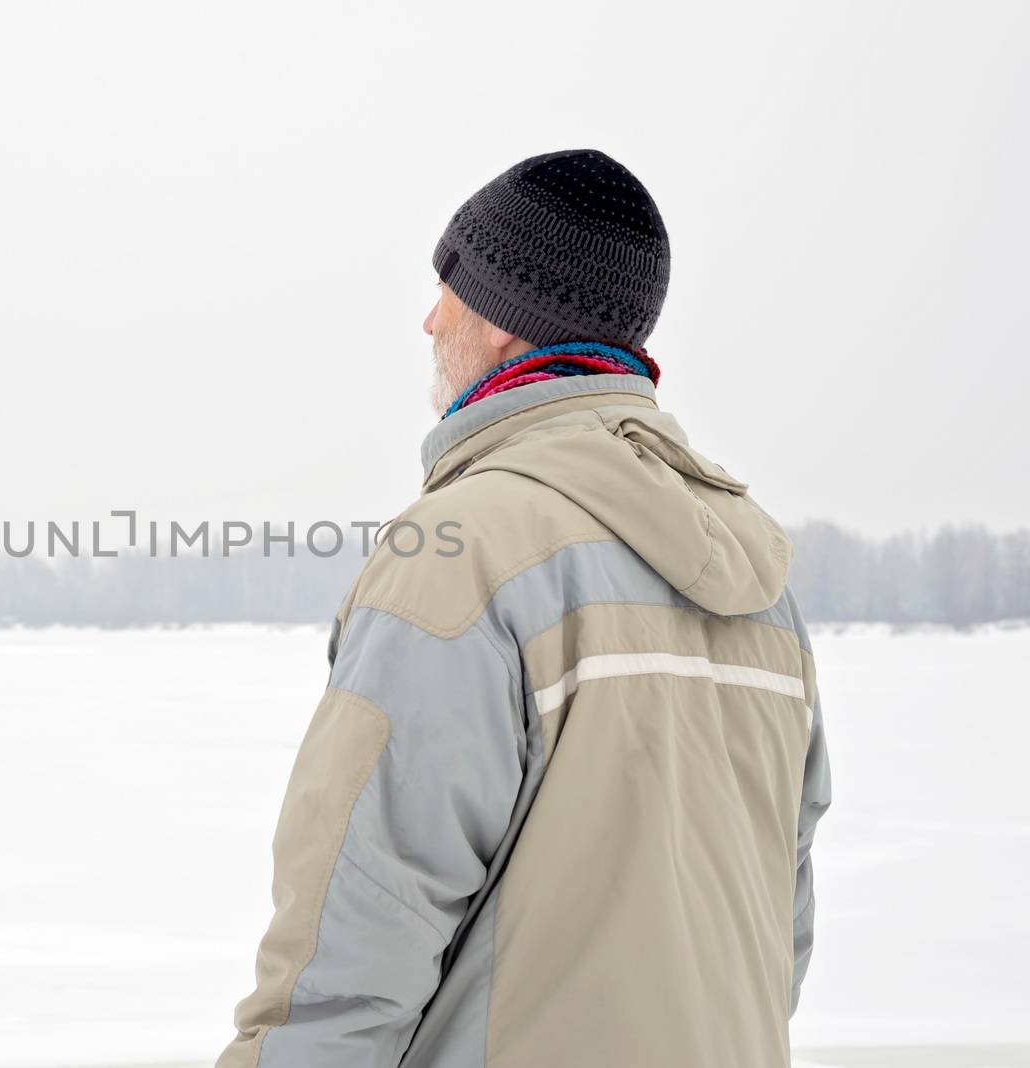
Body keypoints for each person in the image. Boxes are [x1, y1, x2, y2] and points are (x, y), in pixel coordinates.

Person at [214, 149, 832, 1068]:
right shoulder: (759, 580)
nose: (430, 318)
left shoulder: (460, 553)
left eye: (450, 285)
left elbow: (356, 941)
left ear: (508, 316)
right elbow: (774, 936)